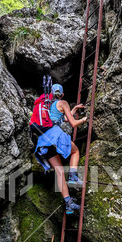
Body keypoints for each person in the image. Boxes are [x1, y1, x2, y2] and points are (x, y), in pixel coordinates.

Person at [34, 84, 87, 215]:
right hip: (55, 136)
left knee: (59, 172)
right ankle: (73, 176)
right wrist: (85, 119)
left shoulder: (45, 106)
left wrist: (73, 109)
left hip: (44, 142)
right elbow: (73, 123)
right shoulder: (63, 102)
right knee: (75, 151)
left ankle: (69, 204)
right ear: (62, 94)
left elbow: (61, 119)